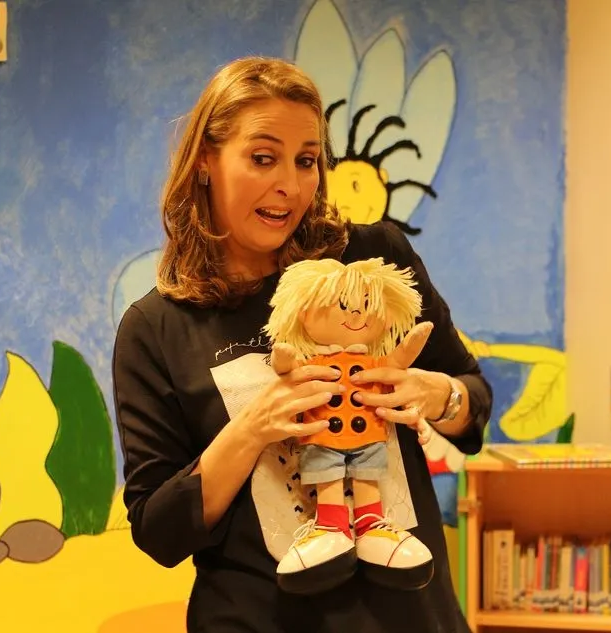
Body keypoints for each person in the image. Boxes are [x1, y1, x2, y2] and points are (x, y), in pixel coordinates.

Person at [112, 55, 493, 633]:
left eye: (307, 160)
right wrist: (251, 428)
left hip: (413, 616)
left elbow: (472, 402)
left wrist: (434, 394)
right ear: (207, 161)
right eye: (263, 158)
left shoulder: (372, 260)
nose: (289, 186)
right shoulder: (155, 328)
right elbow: (159, 531)